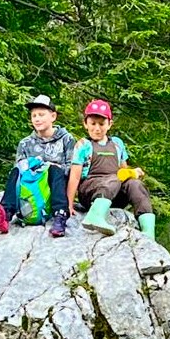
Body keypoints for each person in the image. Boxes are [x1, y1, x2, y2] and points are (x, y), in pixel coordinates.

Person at [65, 99, 155, 240]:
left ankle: (148, 231)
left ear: (109, 124)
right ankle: (95, 216)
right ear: (85, 124)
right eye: (93, 124)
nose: (97, 128)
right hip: (90, 192)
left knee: (135, 184)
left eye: (102, 124)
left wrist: (133, 173)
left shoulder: (117, 144)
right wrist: (69, 204)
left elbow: (124, 172)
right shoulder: (83, 145)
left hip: (114, 193)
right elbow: (75, 176)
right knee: (115, 178)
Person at [0, 94, 76, 238]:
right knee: (16, 171)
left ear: (53, 116)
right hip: (31, 187)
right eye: (34, 115)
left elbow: (71, 168)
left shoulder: (67, 139)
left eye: (41, 115)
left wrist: (48, 167)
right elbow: (20, 167)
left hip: (52, 187)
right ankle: (6, 213)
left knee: (56, 170)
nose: (37, 119)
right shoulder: (25, 143)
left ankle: (60, 215)